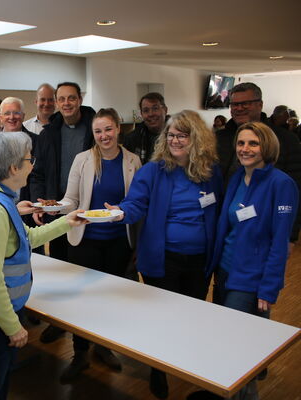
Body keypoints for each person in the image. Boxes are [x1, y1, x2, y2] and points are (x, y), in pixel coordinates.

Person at [106, 110, 222, 399]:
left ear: (196, 138)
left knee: (192, 313)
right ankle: (158, 370)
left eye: (182, 134)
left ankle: (183, 362)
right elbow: (135, 203)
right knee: (162, 317)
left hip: (199, 259)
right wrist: (121, 212)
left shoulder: (210, 172)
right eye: (171, 134)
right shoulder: (153, 171)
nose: (175, 140)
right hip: (163, 258)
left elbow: (219, 211)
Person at [0, 131, 89, 400]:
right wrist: (13, 326)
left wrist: (66, 222)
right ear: (14, 167)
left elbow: (29, 237)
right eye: (29, 159)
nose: (33, 164)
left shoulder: (2, 199)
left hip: (4, 311)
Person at [206, 122, 298, 400]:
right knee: (229, 341)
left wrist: (268, 288)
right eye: (241, 143)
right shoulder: (237, 178)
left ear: (266, 147)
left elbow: (280, 242)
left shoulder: (282, 184)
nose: (245, 149)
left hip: (250, 280)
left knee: (240, 349)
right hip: (225, 271)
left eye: (253, 144)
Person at [58, 108, 142, 381]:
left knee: (110, 299)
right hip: (86, 242)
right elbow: (71, 199)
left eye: (108, 129)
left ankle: (104, 347)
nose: (103, 135)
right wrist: (54, 208)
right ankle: (80, 353)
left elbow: (137, 204)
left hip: (119, 242)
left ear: (119, 128)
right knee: (82, 302)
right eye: (98, 131)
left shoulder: (133, 161)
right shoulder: (82, 160)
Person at [30, 81, 95, 343]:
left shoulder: (94, 128)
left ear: (80, 99)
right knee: (60, 270)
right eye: (61, 99)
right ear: (56, 102)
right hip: (57, 211)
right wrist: (38, 202)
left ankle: (88, 330)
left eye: (71, 98)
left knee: (84, 274)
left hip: (88, 211)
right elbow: (38, 174)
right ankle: (60, 321)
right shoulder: (48, 133)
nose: (66, 103)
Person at [215, 82, 301, 253]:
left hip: (263, 228)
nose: (239, 109)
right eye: (234, 104)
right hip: (224, 222)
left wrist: (290, 236)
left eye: (245, 103)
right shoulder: (219, 138)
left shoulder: (285, 139)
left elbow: (297, 189)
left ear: (260, 105)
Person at [123, 92, 169, 165]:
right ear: (141, 114)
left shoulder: (179, 136)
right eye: (146, 110)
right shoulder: (131, 140)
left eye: (155, 108)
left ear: (165, 110)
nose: (151, 114)